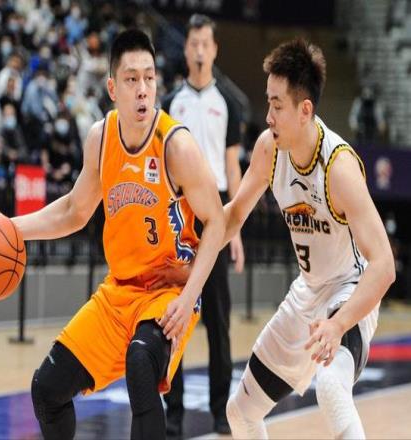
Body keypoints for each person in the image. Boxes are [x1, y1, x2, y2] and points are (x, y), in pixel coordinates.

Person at [10, 29, 225, 440]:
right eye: (131, 79)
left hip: (167, 290)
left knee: (141, 365)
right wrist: (12, 228)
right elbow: (74, 211)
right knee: (47, 390)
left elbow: (216, 222)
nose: (143, 89)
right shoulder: (101, 137)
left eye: (149, 78)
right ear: (112, 88)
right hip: (119, 291)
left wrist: (188, 297)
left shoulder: (176, 145)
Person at [222, 38, 395, 439]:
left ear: (304, 110)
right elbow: (233, 217)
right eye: (268, 103)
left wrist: (339, 325)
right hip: (308, 292)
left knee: (331, 387)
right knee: (240, 413)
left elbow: (384, 266)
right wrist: (191, 252)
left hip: (349, 291)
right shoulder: (269, 149)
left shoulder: (339, 167)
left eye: (277, 106)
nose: (268, 116)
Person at [161, 14, 244, 437]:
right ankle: (173, 415)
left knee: (219, 321)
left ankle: (219, 412)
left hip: (216, 215)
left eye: (204, 44)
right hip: (179, 216)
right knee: (172, 316)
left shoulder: (228, 101)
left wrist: (236, 229)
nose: (198, 50)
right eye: (192, 43)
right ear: (186, 47)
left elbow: (232, 167)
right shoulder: (170, 101)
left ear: (214, 50)